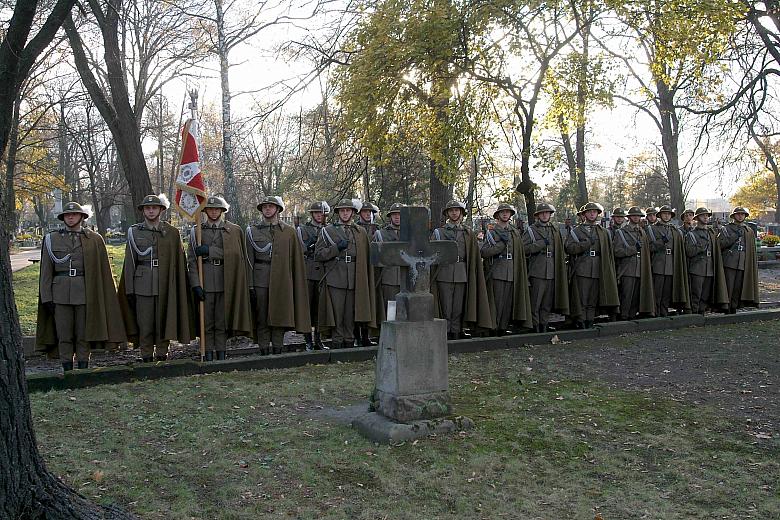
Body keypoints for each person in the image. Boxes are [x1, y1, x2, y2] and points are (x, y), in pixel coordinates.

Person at [36, 202, 125, 371]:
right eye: (67, 215)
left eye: (74, 214)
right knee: (64, 335)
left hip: (85, 293)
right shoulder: (51, 239)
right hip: (59, 295)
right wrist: (46, 297)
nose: (70, 217)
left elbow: (103, 271)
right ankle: (67, 369)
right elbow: (46, 271)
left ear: (82, 217)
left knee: (83, 335)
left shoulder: (94, 239)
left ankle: (84, 368)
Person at [118, 194, 193, 362]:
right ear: (143, 211)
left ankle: (162, 353)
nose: (151, 211)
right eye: (147, 208)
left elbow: (179, 261)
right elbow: (130, 262)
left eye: (154, 208)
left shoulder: (172, 233)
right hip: (142, 283)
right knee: (145, 323)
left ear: (161, 210)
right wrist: (129, 289)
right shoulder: (134, 232)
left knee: (163, 320)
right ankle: (146, 355)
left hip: (165, 283)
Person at [186, 196, 252, 361]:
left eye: (217, 209)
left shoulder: (233, 230)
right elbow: (192, 261)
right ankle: (208, 354)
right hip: (205, 281)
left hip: (226, 280)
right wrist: (195, 284)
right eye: (210, 209)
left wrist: (209, 251)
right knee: (207, 322)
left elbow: (235, 254)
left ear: (222, 211)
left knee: (222, 321)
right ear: (205, 211)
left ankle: (222, 354)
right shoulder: (197, 231)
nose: (214, 212)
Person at [246, 196, 310, 355]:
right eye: (265, 207)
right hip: (261, 279)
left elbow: (295, 260)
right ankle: (263, 350)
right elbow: (248, 260)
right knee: (261, 316)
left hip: (282, 279)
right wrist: (250, 284)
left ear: (278, 209)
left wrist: (293, 282)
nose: (267, 209)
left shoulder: (289, 232)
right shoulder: (252, 231)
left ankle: (277, 349)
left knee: (279, 315)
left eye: (271, 206)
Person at [315, 199, 376, 349]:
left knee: (350, 313)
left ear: (353, 213)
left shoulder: (360, 232)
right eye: (342, 210)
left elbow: (367, 256)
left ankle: (349, 342)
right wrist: (336, 248)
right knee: (337, 313)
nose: (345, 213)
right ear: (338, 213)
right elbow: (318, 254)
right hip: (335, 277)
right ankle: (337, 342)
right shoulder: (328, 231)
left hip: (355, 277)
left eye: (348, 210)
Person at [431, 200, 493, 339]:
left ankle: (456, 331)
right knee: (446, 305)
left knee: (459, 305)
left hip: (462, 272)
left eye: (457, 210)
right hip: (444, 272)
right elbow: (432, 254)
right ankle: (446, 331)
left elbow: (474, 254)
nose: (454, 213)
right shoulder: (439, 232)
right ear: (447, 213)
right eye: (451, 210)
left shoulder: (467, 232)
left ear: (461, 213)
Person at [565, 202, 620, 328]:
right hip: (582, 268)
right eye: (589, 212)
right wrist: (586, 244)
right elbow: (569, 248)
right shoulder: (576, 231)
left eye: (594, 212)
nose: (592, 214)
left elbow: (608, 252)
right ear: (584, 214)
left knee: (593, 298)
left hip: (598, 268)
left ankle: (590, 320)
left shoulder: (603, 232)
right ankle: (581, 320)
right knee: (582, 297)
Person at [480, 203, 532, 335]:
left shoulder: (514, 232)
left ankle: (503, 327)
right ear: (497, 215)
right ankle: (494, 328)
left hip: (512, 271)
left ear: (510, 215)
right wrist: (499, 246)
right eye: (502, 212)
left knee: (508, 303)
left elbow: (519, 253)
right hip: (497, 271)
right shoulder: (492, 232)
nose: (505, 214)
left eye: (507, 212)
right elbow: (484, 252)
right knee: (496, 302)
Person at [523, 203, 569, 332]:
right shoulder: (531, 230)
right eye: (542, 213)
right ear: (537, 215)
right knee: (535, 301)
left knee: (547, 302)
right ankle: (535, 325)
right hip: (537, 269)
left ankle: (544, 324)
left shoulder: (554, 230)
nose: (544, 215)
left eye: (547, 213)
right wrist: (540, 244)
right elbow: (523, 249)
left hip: (552, 269)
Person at [297, 201, 330, 350]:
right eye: (316, 213)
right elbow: (299, 249)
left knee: (320, 308)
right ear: (312, 214)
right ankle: (307, 340)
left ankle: (318, 339)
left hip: (324, 272)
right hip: (308, 271)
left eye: (321, 213)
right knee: (307, 307)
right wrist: (308, 247)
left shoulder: (328, 230)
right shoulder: (303, 230)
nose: (319, 216)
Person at [612, 207, 655, 320]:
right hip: (627, 269)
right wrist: (633, 249)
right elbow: (617, 251)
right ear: (629, 217)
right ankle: (623, 317)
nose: (636, 217)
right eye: (634, 215)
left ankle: (632, 316)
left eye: (638, 216)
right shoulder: (621, 232)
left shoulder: (642, 232)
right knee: (626, 295)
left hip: (640, 268)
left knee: (636, 295)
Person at [647, 205, 690, 316]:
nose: (666, 216)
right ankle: (656, 311)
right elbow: (649, 247)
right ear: (660, 215)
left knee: (667, 291)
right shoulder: (652, 229)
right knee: (657, 290)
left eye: (668, 214)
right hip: (658, 262)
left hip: (671, 263)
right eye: (664, 213)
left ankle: (664, 310)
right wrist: (661, 242)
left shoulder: (674, 230)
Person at [684, 207, 728, 314]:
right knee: (696, 294)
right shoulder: (691, 234)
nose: (705, 217)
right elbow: (689, 252)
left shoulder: (711, 233)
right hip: (697, 268)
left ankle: (701, 313)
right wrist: (701, 247)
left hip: (710, 268)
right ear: (697, 218)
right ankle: (693, 315)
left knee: (705, 295)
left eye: (707, 215)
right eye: (703, 215)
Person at [718, 207, 760, 313]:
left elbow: (751, 249)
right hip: (729, 261)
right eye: (738, 214)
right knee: (728, 286)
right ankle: (726, 308)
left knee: (738, 287)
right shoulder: (726, 229)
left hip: (743, 262)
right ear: (733, 216)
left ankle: (734, 307)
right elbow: (720, 244)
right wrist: (734, 236)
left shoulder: (749, 231)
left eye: (742, 214)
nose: (740, 216)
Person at [373, 203, 403, 324]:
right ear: (390, 216)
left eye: (400, 214)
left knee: (406, 310)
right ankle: (390, 332)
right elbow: (375, 257)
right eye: (394, 214)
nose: (397, 217)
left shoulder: (411, 233)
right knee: (391, 309)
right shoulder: (381, 234)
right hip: (389, 277)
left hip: (407, 278)